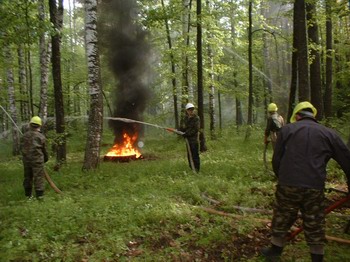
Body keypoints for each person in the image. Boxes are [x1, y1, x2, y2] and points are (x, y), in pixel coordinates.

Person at [261, 101, 350, 262]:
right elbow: (346, 161)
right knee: (315, 222)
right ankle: (317, 258)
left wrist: (282, 178)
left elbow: (276, 160)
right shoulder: (329, 134)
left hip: (288, 184)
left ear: (297, 116)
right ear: (313, 115)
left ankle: (274, 252)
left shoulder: (287, 130)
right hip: (314, 186)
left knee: (282, 216)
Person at [21, 116, 49, 200]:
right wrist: (45, 159)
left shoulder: (24, 136)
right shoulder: (41, 137)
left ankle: (28, 196)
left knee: (27, 177)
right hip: (37, 161)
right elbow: (44, 150)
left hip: (26, 161)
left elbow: (21, 148)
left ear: (30, 125)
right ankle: (40, 197)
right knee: (39, 178)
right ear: (39, 126)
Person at [179, 103, 200, 172]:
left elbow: (195, 129)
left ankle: (196, 169)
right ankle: (192, 168)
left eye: (192, 109)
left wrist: (187, 134)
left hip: (194, 140)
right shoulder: (186, 118)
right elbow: (185, 128)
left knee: (195, 155)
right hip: (188, 140)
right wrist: (180, 130)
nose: (191, 111)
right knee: (189, 155)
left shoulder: (196, 118)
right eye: (189, 110)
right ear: (187, 110)